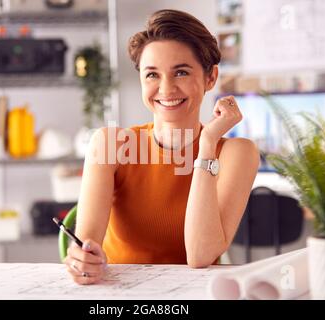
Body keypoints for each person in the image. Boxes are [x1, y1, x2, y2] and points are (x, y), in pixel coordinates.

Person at [64, 9, 260, 285]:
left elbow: (200, 255)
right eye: (152, 75)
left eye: (180, 72)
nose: (166, 89)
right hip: (121, 295)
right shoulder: (110, 144)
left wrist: (206, 146)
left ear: (210, 78)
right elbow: (85, 245)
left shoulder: (235, 153)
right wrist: (82, 260)